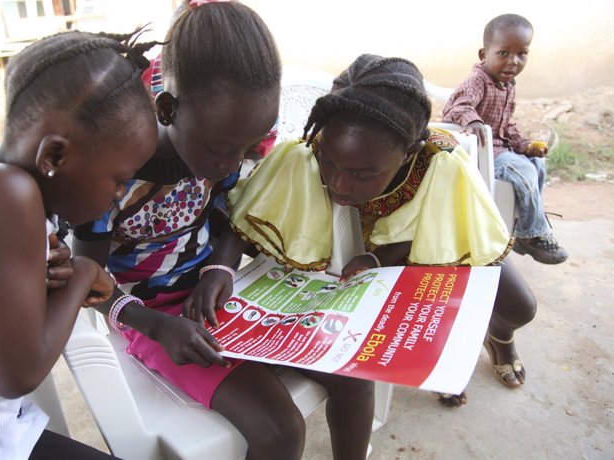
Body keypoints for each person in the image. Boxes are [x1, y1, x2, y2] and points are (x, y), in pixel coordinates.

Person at [224, 55, 537, 412]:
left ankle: (500, 337)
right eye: (330, 161)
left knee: (520, 306)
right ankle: (444, 367)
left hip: (438, 246)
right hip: (376, 257)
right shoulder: (307, 153)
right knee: (422, 331)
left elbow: (448, 231)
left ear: (408, 155)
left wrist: (381, 257)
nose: (338, 183)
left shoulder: (442, 162)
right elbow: (247, 218)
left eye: (362, 174)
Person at [71, 1, 297, 459]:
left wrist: (221, 267)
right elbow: (85, 279)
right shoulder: (113, 172)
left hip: (213, 300)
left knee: (347, 362)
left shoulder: (218, 144)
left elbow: (230, 217)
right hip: (149, 314)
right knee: (280, 429)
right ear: (169, 108)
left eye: (247, 149)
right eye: (223, 150)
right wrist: (153, 323)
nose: (232, 164)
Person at [0, 30, 159, 458]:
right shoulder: (6, 196)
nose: (119, 196)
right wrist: (85, 273)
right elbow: (19, 372)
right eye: (119, 179)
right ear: (53, 157)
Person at [442, 13, 568, 265]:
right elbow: (456, 107)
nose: (513, 61)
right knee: (524, 171)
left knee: (536, 164)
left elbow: (507, 125)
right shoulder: (478, 80)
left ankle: (523, 224)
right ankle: (533, 235)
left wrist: (525, 146)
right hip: (481, 152)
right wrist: (473, 120)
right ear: (483, 54)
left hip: (500, 150)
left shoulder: (508, 84)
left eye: (522, 53)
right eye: (503, 53)